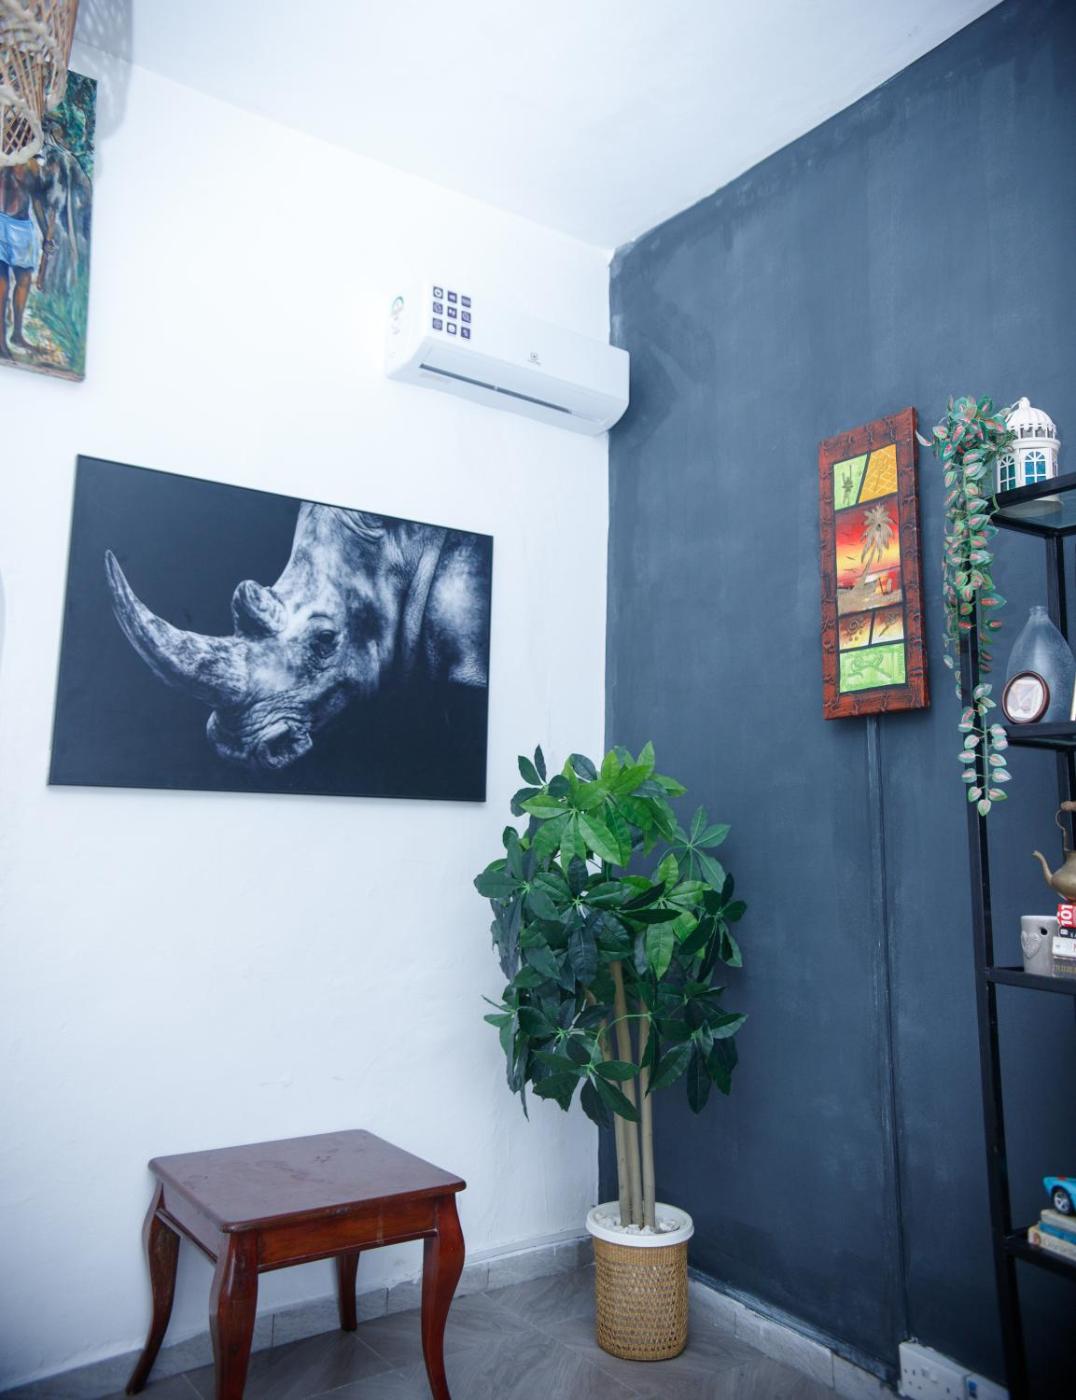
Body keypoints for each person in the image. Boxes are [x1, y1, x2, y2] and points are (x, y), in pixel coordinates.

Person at [0, 159, 46, 360]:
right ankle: (1, 341)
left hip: (22, 226)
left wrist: (47, 234)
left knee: (24, 280)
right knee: (2, 285)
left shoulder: (32, 166)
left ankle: (17, 334)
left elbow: (37, 201)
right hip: (0, 222)